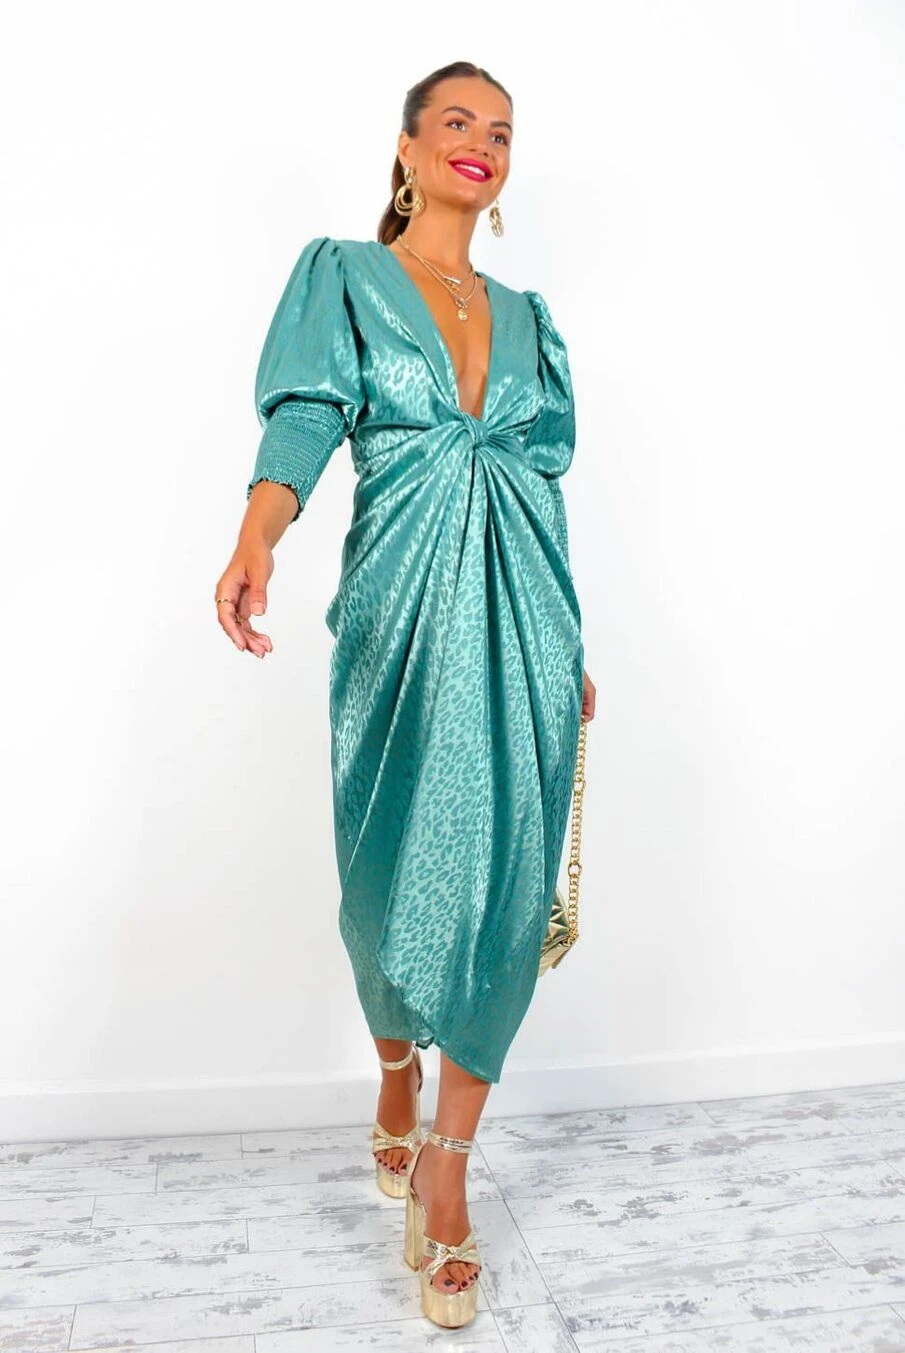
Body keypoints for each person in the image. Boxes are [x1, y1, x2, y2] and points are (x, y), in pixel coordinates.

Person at [214, 60, 597, 1329]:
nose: (481, 143)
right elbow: (304, 417)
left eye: (502, 132)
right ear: (406, 147)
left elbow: (539, 490)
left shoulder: (530, 316)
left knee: (504, 888)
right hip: (397, 616)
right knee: (385, 879)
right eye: (457, 122)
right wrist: (258, 535)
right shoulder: (345, 275)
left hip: (526, 623)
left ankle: (447, 1171)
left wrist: (567, 648)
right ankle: (392, 1067)